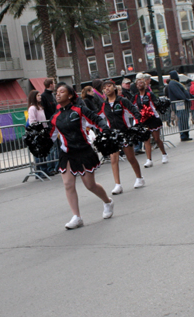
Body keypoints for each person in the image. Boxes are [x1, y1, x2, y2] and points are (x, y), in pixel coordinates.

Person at [49, 83, 114, 229]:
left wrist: (105, 130)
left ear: (70, 95)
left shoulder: (79, 110)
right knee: (68, 184)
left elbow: (97, 120)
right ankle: (77, 217)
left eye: (62, 92)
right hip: (66, 153)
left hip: (83, 151)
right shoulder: (55, 117)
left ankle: (108, 201)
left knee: (90, 185)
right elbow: (50, 136)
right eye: (57, 92)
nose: (58, 94)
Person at [98, 79, 145, 194]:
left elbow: (135, 112)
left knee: (130, 157)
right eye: (104, 88)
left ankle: (139, 178)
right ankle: (117, 185)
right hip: (112, 135)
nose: (107, 89)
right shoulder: (104, 105)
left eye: (109, 86)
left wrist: (136, 125)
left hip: (125, 132)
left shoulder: (122, 101)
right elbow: (96, 118)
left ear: (114, 88)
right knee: (114, 159)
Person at [133, 75, 168, 167]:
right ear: (136, 86)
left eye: (141, 83)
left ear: (145, 84)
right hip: (143, 120)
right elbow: (131, 107)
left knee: (156, 139)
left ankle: (164, 154)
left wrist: (153, 110)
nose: (140, 85)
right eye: (138, 83)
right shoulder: (135, 96)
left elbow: (155, 105)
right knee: (146, 140)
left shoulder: (149, 94)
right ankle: (149, 160)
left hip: (153, 118)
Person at [28, 90, 53, 176]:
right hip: (38, 132)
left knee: (43, 151)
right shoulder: (32, 108)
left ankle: (44, 169)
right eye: (38, 95)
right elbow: (32, 121)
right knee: (39, 152)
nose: (40, 97)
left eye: (40, 95)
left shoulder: (40, 107)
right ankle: (41, 170)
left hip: (43, 131)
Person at [165, 70, 192, 141]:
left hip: (181, 104)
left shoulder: (174, 83)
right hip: (180, 104)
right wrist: (184, 98)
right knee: (182, 119)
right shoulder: (173, 83)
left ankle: (185, 134)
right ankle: (184, 135)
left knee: (184, 119)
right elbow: (177, 92)